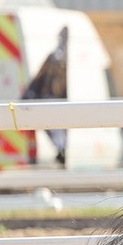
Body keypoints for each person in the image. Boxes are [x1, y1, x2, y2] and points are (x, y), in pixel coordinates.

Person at [23, 26, 69, 165]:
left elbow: (40, 76)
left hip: (55, 100)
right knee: (54, 127)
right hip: (50, 98)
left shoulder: (60, 58)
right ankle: (60, 148)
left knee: (56, 128)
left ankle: (60, 148)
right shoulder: (55, 58)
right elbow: (42, 75)